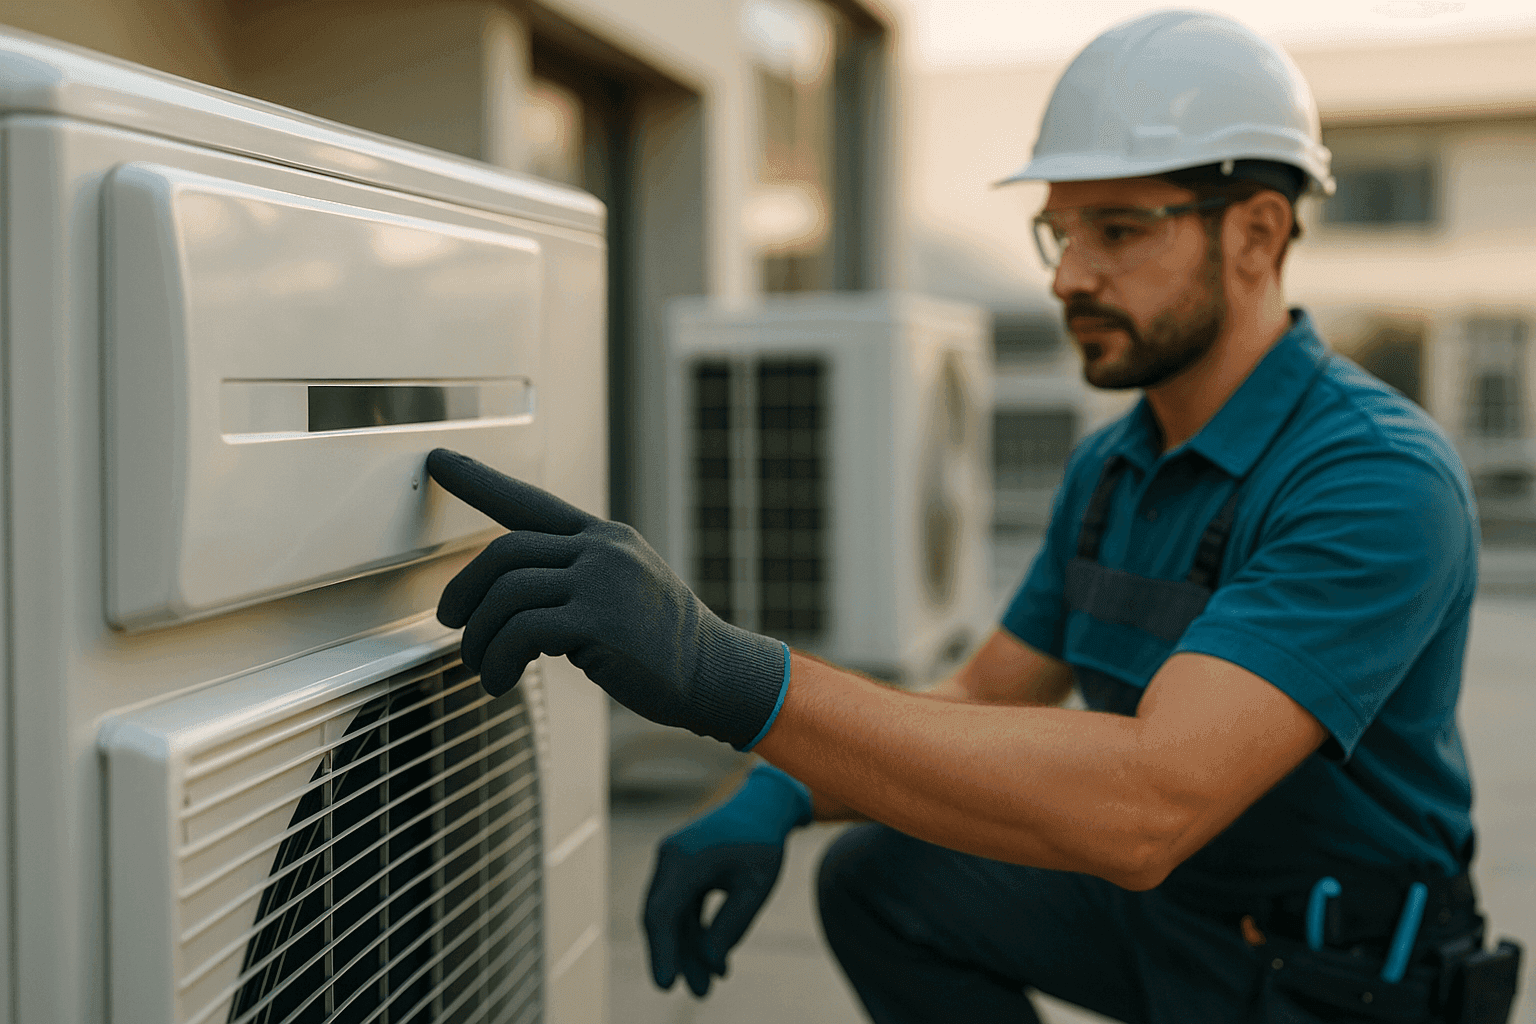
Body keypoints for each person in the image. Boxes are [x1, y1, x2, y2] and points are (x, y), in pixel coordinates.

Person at [423, 10, 1521, 1022]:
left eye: (1120, 231)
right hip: (1174, 921)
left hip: (1339, 982)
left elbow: (1148, 804)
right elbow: (988, 691)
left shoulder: (1371, 477)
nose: (1069, 277)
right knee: (887, 877)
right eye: (1060, 234)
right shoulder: (1114, 468)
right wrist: (774, 794)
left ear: (1258, 231)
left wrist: (721, 671)